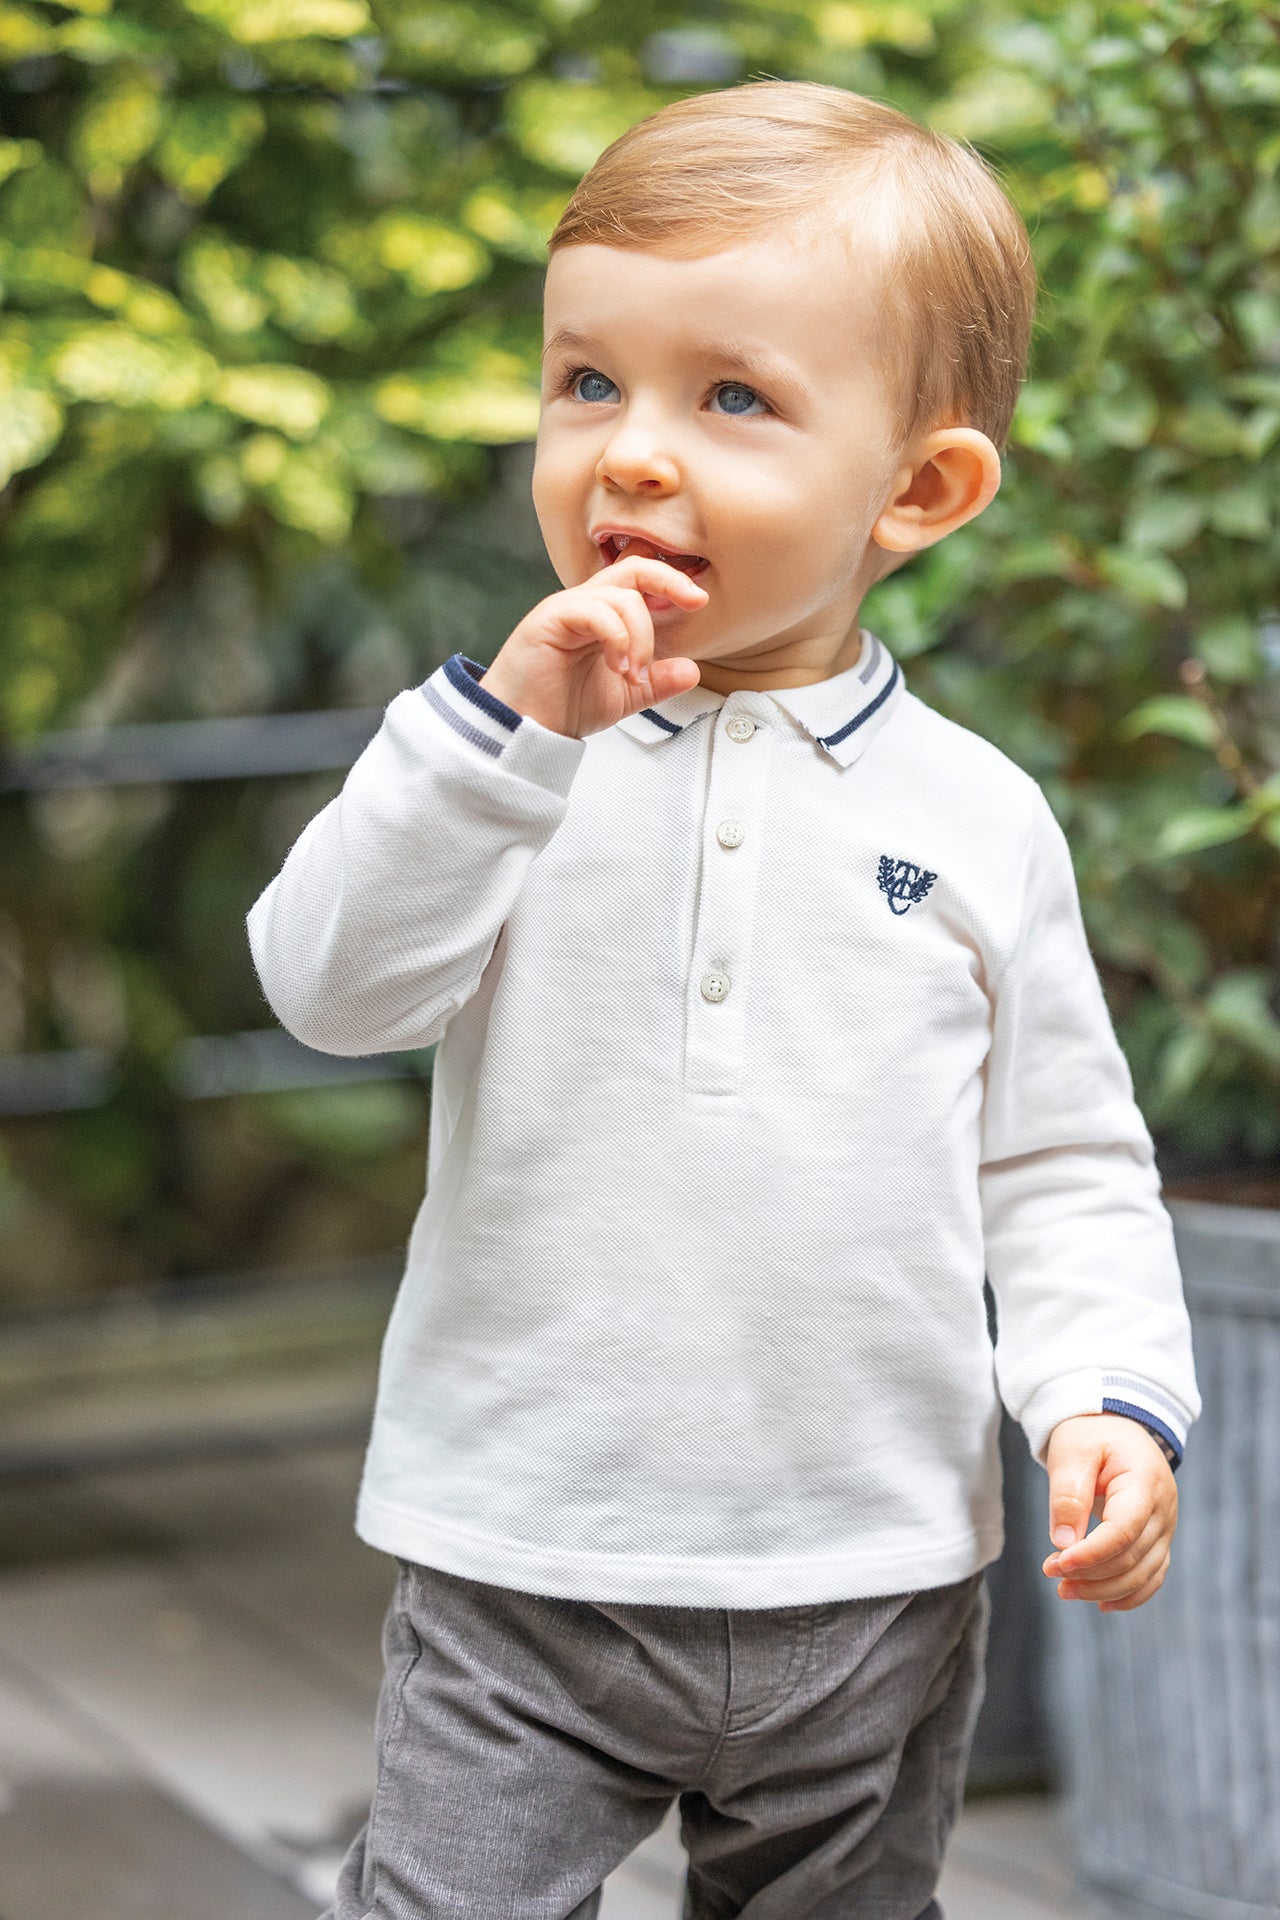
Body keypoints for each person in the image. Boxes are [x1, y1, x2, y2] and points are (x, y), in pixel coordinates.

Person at [248, 80, 1200, 1920]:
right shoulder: (487, 756)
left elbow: (1066, 1160)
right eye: (586, 382)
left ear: (917, 490)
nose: (629, 453)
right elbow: (330, 993)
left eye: (732, 398)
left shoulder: (979, 819)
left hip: (873, 1573)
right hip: (523, 1559)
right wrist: (501, 744)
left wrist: (1105, 1395)